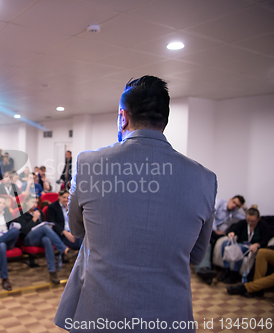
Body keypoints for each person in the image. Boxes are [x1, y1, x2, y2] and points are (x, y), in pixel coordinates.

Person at [54, 76, 217, 333]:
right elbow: (196, 255)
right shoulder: (206, 178)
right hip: (169, 318)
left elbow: (76, 230)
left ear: (123, 117)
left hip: (100, 315)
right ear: (165, 119)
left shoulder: (88, 164)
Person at [194, 195, 246, 284]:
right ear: (230, 200)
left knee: (220, 243)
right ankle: (203, 268)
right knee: (206, 243)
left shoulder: (234, 212)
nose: (234, 206)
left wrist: (244, 209)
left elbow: (245, 217)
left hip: (218, 232)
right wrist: (214, 231)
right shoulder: (219, 203)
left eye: (237, 206)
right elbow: (210, 216)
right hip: (207, 228)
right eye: (234, 203)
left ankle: (207, 270)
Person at [16, 195, 68, 284]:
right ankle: (62, 248)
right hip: (28, 239)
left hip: (40, 239)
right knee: (44, 227)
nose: (35, 205)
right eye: (32, 202)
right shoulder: (21, 213)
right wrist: (34, 219)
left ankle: (52, 271)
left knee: (47, 240)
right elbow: (23, 231)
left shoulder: (39, 212)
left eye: (36, 202)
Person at [218, 207, 271, 284]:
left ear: (258, 219)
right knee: (225, 243)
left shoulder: (263, 226)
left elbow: (265, 240)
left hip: (251, 247)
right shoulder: (243, 223)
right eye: (248, 220)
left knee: (239, 248)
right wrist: (231, 233)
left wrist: (257, 244)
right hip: (242, 243)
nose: (250, 223)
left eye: (253, 221)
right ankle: (226, 270)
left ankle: (234, 273)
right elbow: (233, 229)